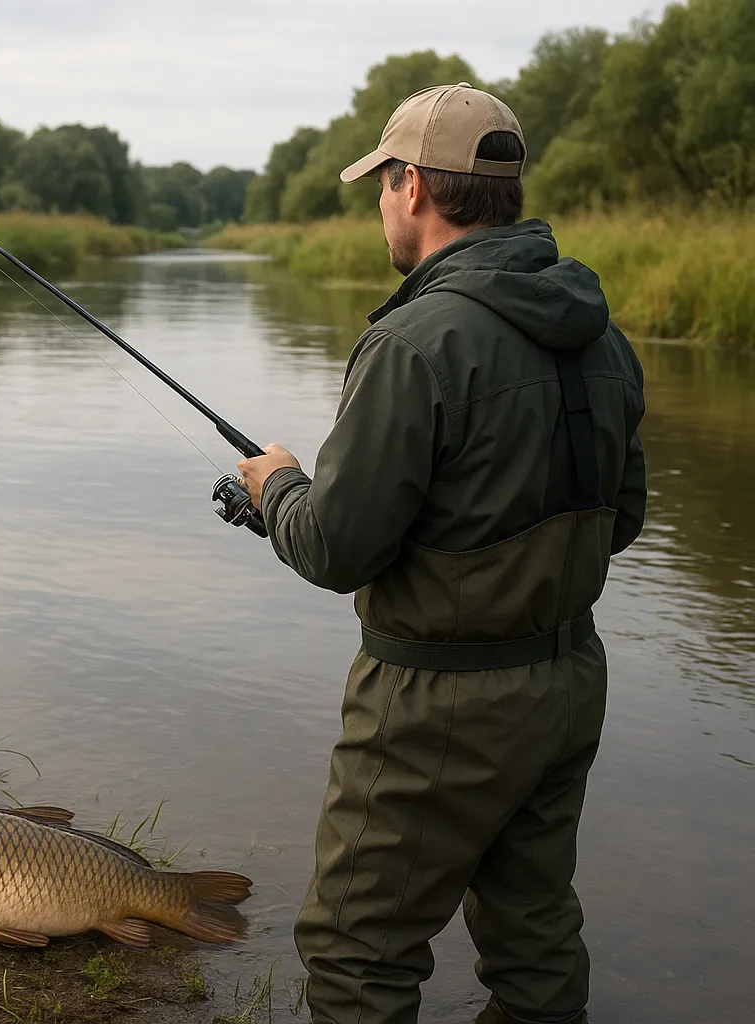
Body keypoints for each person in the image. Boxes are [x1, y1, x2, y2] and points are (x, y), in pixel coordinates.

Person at [236, 83, 647, 1024]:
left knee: (357, 951)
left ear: (412, 184)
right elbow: (621, 517)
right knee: (535, 937)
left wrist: (277, 488)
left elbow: (334, 548)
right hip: (569, 678)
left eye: (383, 181)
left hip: (434, 702)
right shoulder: (603, 339)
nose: (382, 200)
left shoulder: (414, 342)